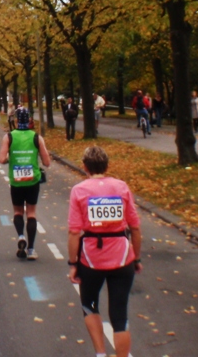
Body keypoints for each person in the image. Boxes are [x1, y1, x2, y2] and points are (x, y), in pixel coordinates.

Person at [67, 146, 142, 357]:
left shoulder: (79, 191)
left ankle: (100, 353)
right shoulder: (121, 187)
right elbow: (135, 228)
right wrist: (136, 257)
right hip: (122, 259)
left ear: (84, 167)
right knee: (120, 315)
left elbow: (74, 232)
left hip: (91, 261)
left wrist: (73, 264)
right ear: (107, 166)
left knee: (90, 305)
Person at [0, 107, 51, 260]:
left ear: (15, 121)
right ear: (29, 120)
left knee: (18, 212)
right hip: (32, 180)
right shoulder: (37, 137)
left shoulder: (9, 137)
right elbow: (47, 162)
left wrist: (11, 158)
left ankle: (21, 235)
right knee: (31, 213)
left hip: (16, 181)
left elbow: (1, 159)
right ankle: (31, 249)